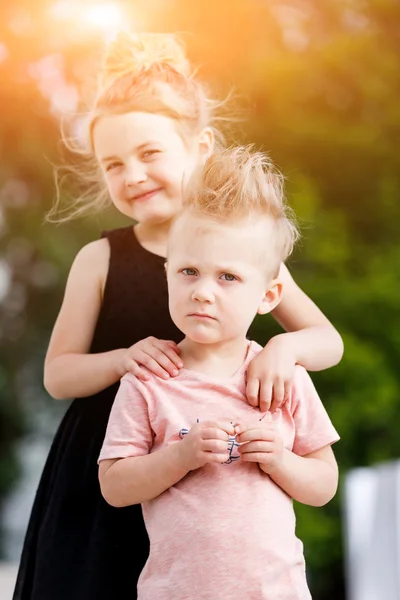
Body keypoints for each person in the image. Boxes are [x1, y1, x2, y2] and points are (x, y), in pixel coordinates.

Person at [13, 32, 343, 600]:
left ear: (201, 147)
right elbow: (58, 374)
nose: (133, 175)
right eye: (113, 164)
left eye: (149, 154)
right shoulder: (101, 258)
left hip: (212, 487)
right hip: (112, 461)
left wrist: (285, 350)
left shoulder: (242, 250)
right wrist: (123, 359)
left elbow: (326, 340)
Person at [98, 145, 340, 600]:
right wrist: (181, 456)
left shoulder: (284, 378)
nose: (203, 292)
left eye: (227, 277)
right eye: (189, 271)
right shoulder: (149, 379)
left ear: (269, 296)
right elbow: (113, 486)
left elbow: (324, 485)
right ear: (167, 275)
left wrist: (279, 460)